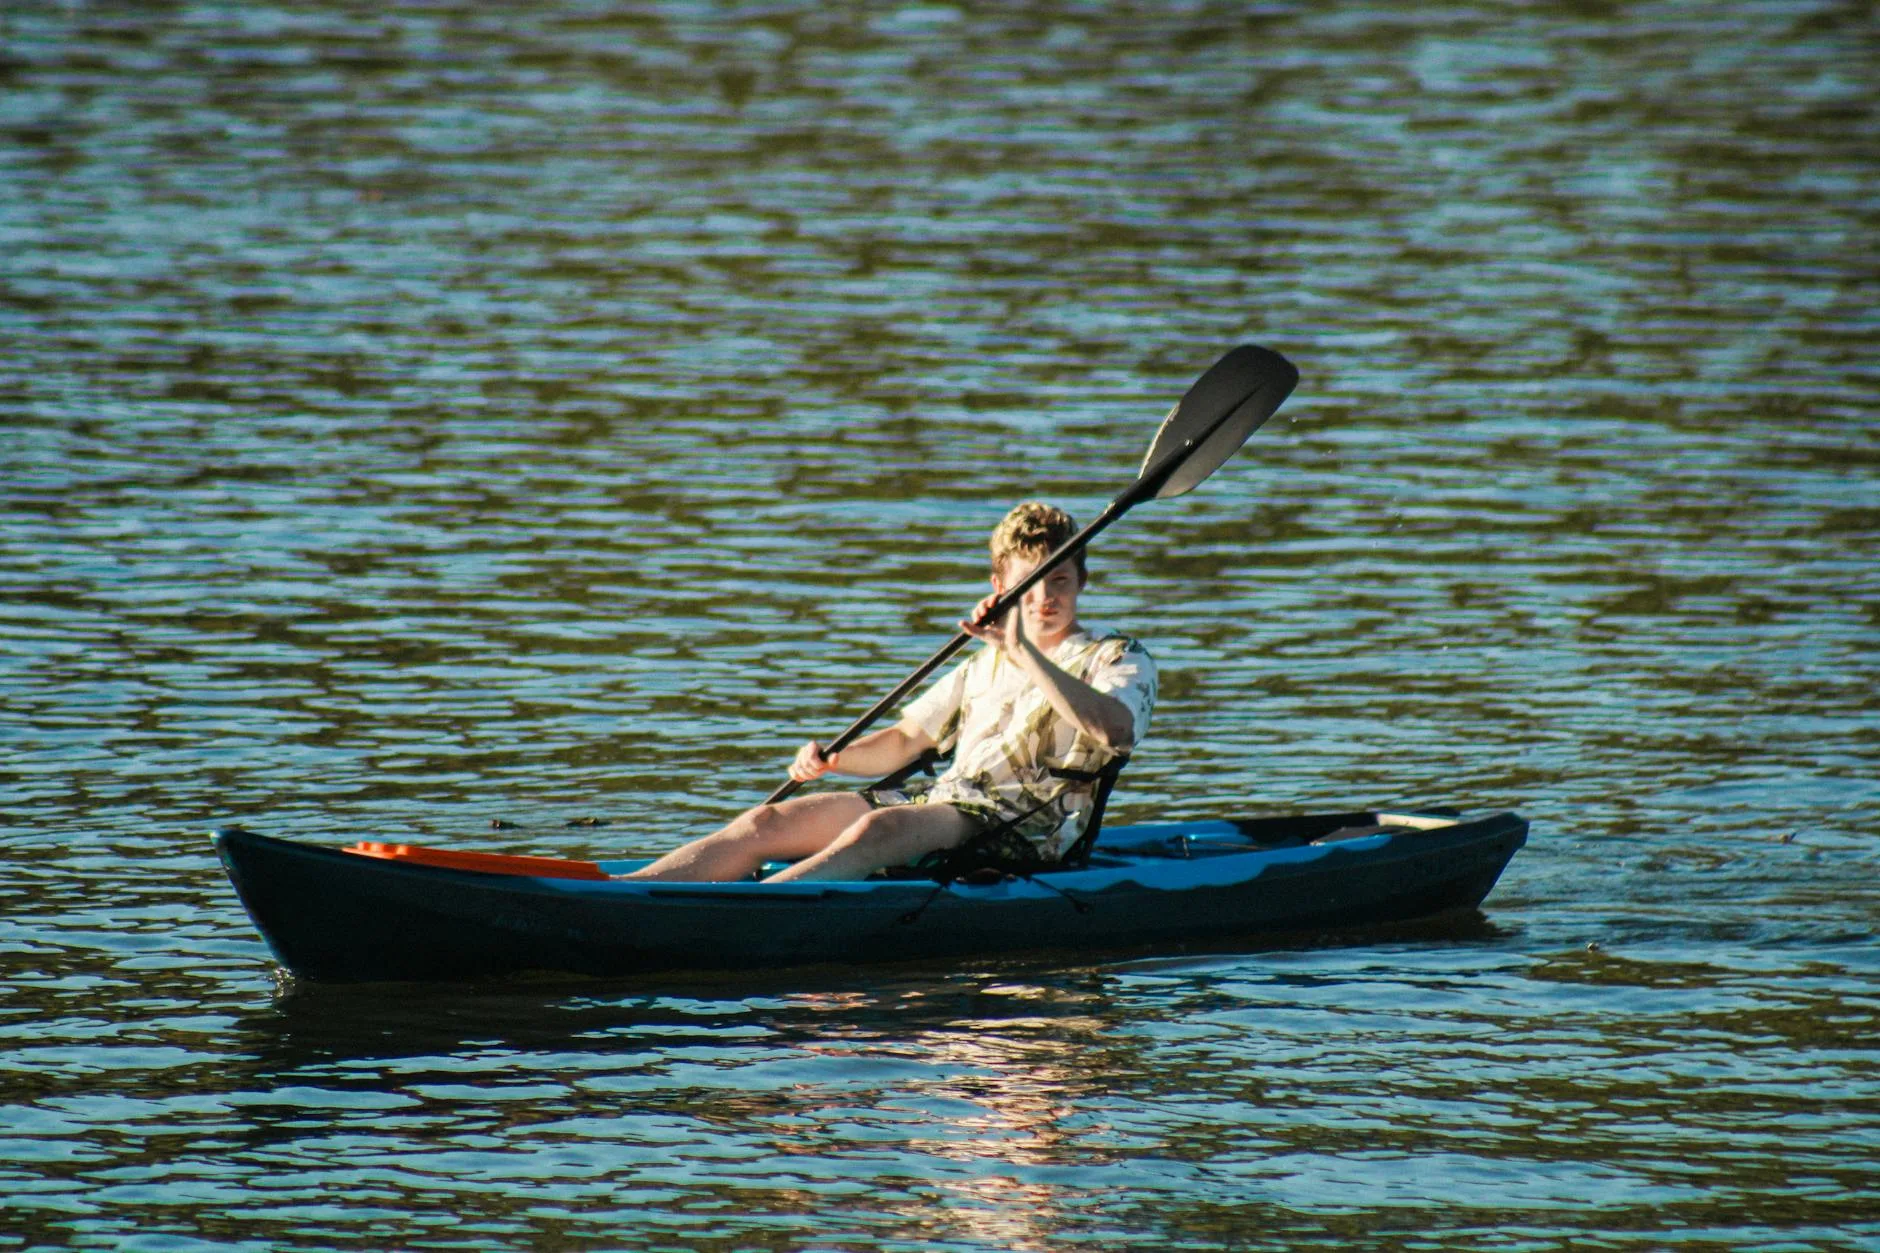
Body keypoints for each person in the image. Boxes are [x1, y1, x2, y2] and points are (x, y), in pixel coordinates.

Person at [622, 501, 1157, 883]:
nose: (1045, 598)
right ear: (1001, 587)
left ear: (1082, 581)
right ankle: (626, 895)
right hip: (949, 805)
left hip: (1030, 831)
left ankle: (742, 917)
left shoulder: (1117, 655)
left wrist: (1023, 652)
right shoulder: (983, 663)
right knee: (766, 822)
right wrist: (831, 760)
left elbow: (1116, 730)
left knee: (882, 827)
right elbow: (905, 741)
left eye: (1060, 580)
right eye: (1028, 584)